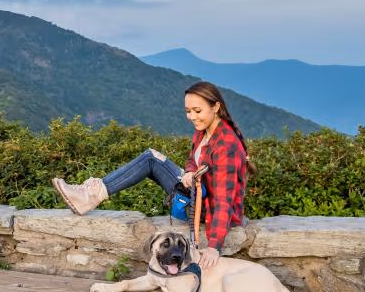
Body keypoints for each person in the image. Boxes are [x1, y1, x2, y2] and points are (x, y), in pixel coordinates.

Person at [51, 81, 251, 269]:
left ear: (215, 107)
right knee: (152, 157)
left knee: (150, 159)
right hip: (198, 193)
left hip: (208, 209)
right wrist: (190, 171)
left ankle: (89, 196)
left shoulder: (227, 145)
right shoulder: (204, 130)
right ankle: (90, 195)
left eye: (197, 111)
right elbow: (193, 159)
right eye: (188, 111)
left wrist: (214, 246)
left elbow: (225, 201)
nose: (192, 117)